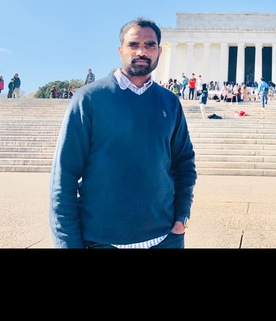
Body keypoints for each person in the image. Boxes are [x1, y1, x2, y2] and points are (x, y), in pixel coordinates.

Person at [49, 16, 197, 249]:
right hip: (102, 240)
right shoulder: (89, 98)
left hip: (164, 238)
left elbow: (184, 163)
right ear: (121, 50)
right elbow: (64, 175)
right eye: (133, 44)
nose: (141, 51)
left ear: (159, 51)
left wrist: (182, 216)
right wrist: (67, 243)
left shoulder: (170, 102)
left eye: (150, 45)